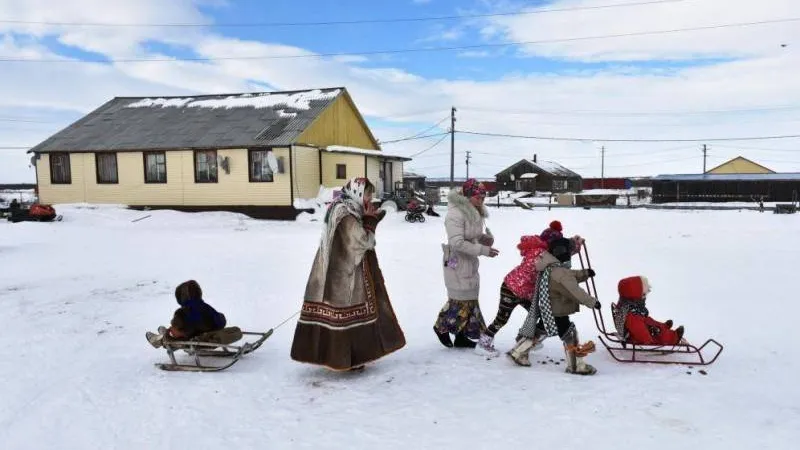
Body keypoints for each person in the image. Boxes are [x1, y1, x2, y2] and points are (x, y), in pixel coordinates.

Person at [290, 177, 406, 371]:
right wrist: (370, 221)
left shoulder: (345, 208)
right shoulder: (346, 215)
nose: (370, 198)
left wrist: (370, 218)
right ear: (358, 193)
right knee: (345, 315)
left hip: (339, 270)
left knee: (344, 314)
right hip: (344, 275)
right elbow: (363, 241)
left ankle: (349, 358)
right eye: (368, 194)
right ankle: (344, 359)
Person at [507, 238, 600, 375]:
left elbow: (569, 276)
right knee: (569, 334)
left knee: (540, 331)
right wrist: (592, 302)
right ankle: (575, 366)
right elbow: (573, 290)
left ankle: (517, 352)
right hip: (558, 311)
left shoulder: (550, 265)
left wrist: (584, 273)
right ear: (565, 253)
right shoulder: (560, 272)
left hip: (548, 309)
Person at [434, 178, 499, 348]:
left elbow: (472, 236)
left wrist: (485, 240)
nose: (481, 201)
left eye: (483, 198)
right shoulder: (455, 214)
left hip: (469, 260)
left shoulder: (474, 212)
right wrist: (483, 250)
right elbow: (457, 242)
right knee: (459, 299)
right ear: (468, 196)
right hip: (456, 260)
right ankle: (441, 327)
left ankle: (461, 336)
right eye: (478, 197)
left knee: (470, 299)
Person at [476, 235, 549, 356]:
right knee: (501, 319)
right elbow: (535, 270)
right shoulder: (539, 254)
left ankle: (525, 339)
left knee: (537, 313)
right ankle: (482, 344)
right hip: (511, 290)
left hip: (522, 292)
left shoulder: (537, 252)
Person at [146, 280, 239, 348]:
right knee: (186, 325)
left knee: (175, 331)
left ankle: (160, 339)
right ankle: (166, 333)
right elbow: (221, 320)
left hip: (194, 338)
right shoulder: (206, 307)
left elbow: (181, 329)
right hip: (209, 333)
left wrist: (174, 330)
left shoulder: (182, 312)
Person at [614, 276, 685, 346]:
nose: (644, 298)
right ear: (635, 297)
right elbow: (639, 331)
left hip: (638, 329)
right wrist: (648, 339)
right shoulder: (632, 316)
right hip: (637, 337)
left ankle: (664, 326)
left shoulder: (627, 307)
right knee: (658, 332)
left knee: (649, 321)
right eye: (643, 295)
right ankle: (674, 337)